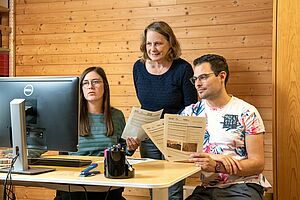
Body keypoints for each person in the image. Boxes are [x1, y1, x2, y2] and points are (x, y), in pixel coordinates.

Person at [180, 54, 271, 200]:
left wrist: (217, 165)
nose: (197, 84)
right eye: (195, 79)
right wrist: (216, 157)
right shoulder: (190, 113)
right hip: (206, 189)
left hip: (243, 186)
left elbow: (257, 164)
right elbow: (178, 156)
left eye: (203, 77)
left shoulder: (246, 112)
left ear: (222, 76)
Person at [133, 21, 198, 200]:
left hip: (176, 134)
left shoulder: (183, 69)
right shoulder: (138, 67)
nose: (152, 48)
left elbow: (191, 107)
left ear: (170, 43)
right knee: (155, 186)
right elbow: (143, 101)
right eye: (149, 43)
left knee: (174, 188)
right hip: (149, 134)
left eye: (158, 43)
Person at [55, 67, 140, 200]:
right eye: (85, 83)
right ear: (81, 88)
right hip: (77, 182)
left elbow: (122, 149)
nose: (90, 87)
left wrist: (131, 147)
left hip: (108, 182)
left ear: (105, 86)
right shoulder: (71, 115)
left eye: (95, 82)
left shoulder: (116, 116)